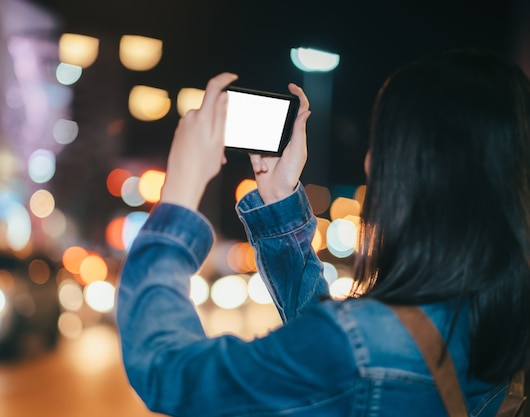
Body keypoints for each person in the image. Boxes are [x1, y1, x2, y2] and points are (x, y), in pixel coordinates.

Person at [114, 49, 530, 416]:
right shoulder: (492, 321)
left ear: (423, 169)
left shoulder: (358, 344)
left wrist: (179, 196)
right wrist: (278, 200)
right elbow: (335, 359)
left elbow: (165, 369)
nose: (370, 163)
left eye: (384, 144)